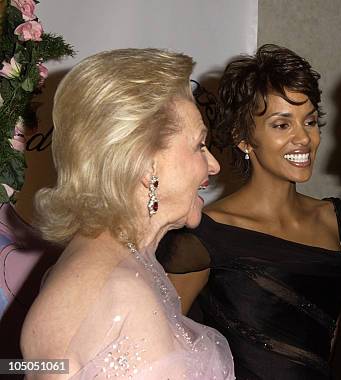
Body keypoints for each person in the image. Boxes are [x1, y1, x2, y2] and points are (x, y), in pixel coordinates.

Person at [20, 49, 234, 379]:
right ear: (147, 165)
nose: (214, 165)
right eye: (199, 145)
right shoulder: (124, 293)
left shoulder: (103, 260)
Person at [156, 44, 341, 379]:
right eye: (281, 125)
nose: (303, 138)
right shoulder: (204, 234)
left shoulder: (336, 217)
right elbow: (159, 347)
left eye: (309, 121)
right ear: (243, 138)